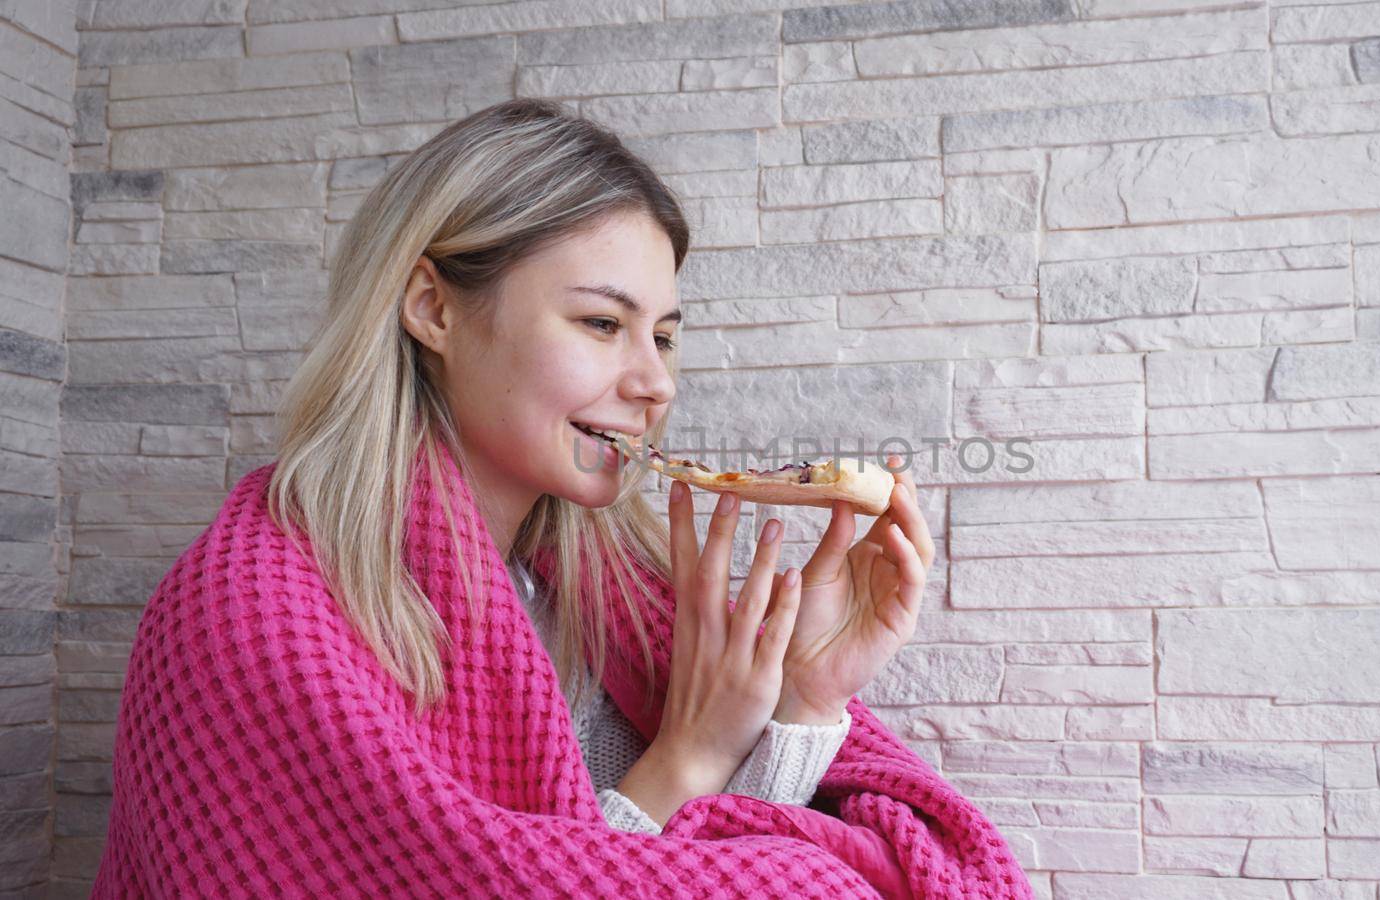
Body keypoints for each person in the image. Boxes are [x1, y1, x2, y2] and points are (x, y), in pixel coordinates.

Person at [91, 98, 1032, 898]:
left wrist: (804, 699)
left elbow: (716, 864)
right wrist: (686, 761)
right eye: (600, 323)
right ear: (434, 308)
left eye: (662, 336)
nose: (654, 383)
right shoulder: (250, 610)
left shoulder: (628, 594)